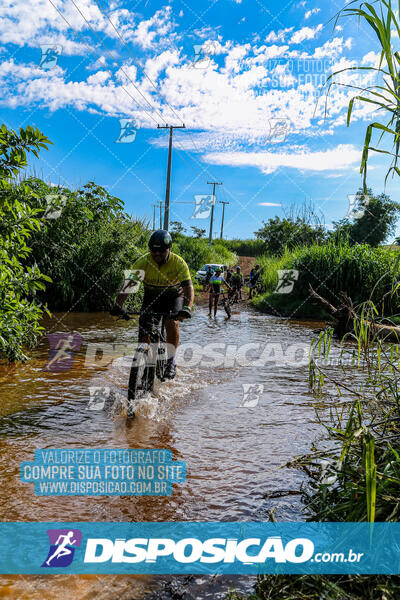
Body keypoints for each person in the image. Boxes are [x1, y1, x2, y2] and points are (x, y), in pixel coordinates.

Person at [110, 230, 194, 380]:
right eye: (153, 251)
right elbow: (127, 288)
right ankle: (146, 362)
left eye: (161, 251)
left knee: (172, 323)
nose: (157, 254)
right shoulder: (142, 262)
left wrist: (186, 308)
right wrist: (118, 306)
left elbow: (189, 289)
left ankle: (170, 361)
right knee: (144, 332)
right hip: (152, 298)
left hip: (173, 297)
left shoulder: (178, 263)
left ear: (169, 249)